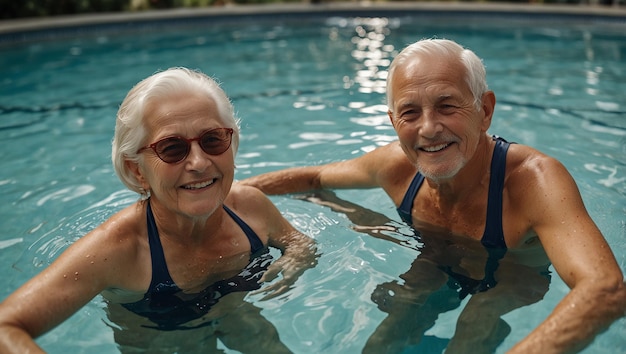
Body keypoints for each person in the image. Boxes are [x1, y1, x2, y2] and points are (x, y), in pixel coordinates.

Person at [239, 39, 626, 353]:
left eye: (447, 105)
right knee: (382, 343)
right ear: (393, 122)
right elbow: (311, 178)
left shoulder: (533, 181)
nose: (428, 129)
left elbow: (605, 289)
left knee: (477, 324)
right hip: (434, 260)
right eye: (410, 112)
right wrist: (228, 195)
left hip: (513, 275)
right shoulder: (395, 166)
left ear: (484, 110)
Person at [0, 67, 317, 353]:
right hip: (161, 339)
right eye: (171, 148)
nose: (199, 163)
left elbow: (300, 243)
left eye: (213, 140)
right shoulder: (115, 251)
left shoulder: (250, 206)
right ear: (137, 170)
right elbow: (5, 327)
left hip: (233, 311)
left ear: (231, 145)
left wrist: (292, 265)